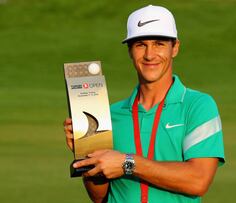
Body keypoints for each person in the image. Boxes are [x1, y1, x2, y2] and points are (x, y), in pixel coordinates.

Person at [64, 5, 225, 203]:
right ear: (130, 51)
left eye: (159, 43)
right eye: (141, 44)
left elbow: (198, 180)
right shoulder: (109, 115)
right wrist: (85, 155)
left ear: (175, 48)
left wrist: (127, 163)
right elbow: (100, 198)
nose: (149, 55)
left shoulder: (198, 106)